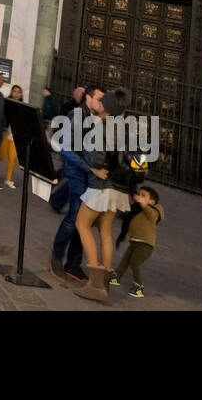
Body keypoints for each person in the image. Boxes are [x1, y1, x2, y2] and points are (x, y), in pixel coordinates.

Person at [73, 88, 131, 303]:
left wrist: (92, 165)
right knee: (106, 230)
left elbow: (97, 159)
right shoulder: (123, 126)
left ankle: (95, 282)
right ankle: (104, 282)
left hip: (102, 184)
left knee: (82, 224)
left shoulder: (103, 126)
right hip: (118, 187)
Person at [50, 84, 106, 285]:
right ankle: (56, 256)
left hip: (89, 177)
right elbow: (66, 149)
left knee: (84, 222)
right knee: (74, 217)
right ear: (88, 99)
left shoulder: (96, 120)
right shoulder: (77, 117)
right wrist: (90, 169)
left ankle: (73, 264)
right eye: (99, 98)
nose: (102, 103)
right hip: (76, 173)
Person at [111, 186, 165, 298]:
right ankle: (116, 277)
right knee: (125, 260)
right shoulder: (137, 209)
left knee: (134, 262)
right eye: (139, 194)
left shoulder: (154, 211)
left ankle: (139, 286)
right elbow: (127, 216)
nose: (139, 197)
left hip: (146, 244)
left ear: (151, 202)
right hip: (134, 241)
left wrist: (144, 204)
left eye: (143, 195)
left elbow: (152, 216)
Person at [0, 84, 25, 187]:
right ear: (11, 92)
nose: (17, 94)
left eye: (19, 92)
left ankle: (8, 179)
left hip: (15, 136)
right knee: (0, 156)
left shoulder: (23, 106)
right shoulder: (6, 102)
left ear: (21, 94)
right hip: (5, 133)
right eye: (15, 91)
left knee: (12, 158)